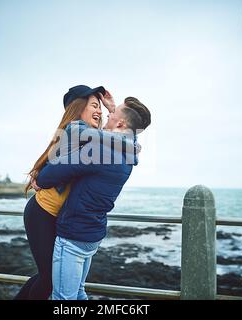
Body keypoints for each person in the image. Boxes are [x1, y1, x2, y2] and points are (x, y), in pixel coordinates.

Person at [35, 96, 151, 300]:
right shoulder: (129, 152)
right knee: (78, 293)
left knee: (63, 298)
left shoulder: (100, 150)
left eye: (112, 114)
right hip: (92, 235)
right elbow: (129, 132)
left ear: (121, 123)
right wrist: (117, 111)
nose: (107, 113)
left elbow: (48, 176)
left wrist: (40, 178)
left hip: (73, 235)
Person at [14, 85, 106, 300]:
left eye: (100, 107)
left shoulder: (86, 137)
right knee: (49, 279)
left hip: (60, 217)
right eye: (94, 105)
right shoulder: (76, 132)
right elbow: (117, 138)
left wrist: (109, 108)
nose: (100, 111)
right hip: (42, 213)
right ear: (78, 108)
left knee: (47, 276)